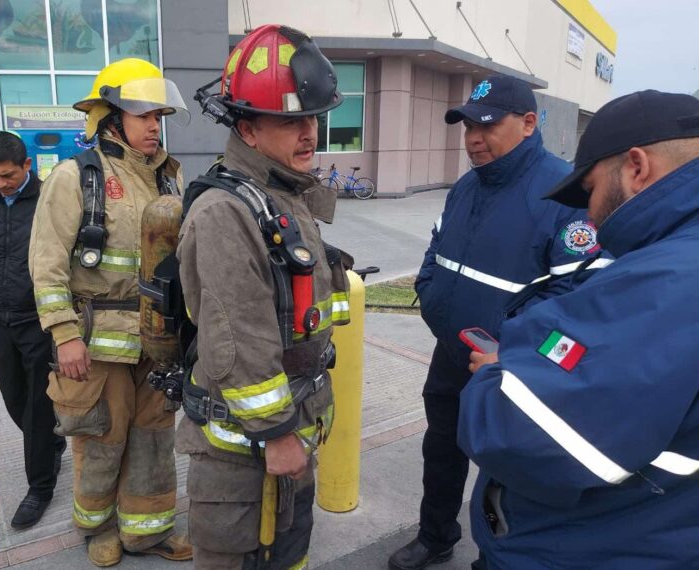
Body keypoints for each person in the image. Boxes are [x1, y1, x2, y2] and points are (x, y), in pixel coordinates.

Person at [457, 90, 699, 569]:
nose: (588, 215)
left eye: (589, 190)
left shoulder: (669, 280)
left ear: (636, 167)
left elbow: (514, 432)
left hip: (593, 547)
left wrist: (498, 374)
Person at [389, 75, 609, 570]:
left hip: (514, 369)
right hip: (452, 356)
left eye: (486, 126)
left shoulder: (564, 195)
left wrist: (508, 350)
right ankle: (436, 534)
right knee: (441, 451)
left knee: (508, 474)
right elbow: (435, 256)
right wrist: (432, 301)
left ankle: (499, 557)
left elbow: (575, 297)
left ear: (529, 123)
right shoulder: (465, 187)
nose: (472, 138)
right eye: (467, 125)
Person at [176, 24, 352, 569]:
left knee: (291, 554)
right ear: (248, 130)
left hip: (292, 431)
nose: (309, 134)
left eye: (312, 119)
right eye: (290, 120)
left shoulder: (283, 193)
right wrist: (277, 436)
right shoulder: (226, 212)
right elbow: (238, 340)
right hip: (242, 454)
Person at [29, 58, 192, 567]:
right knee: (101, 438)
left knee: (153, 440)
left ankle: (147, 530)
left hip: (159, 339)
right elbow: (46, 264)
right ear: (110, 116)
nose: (153, 125)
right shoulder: (76, 177)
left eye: (158, 115)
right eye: (142, 114)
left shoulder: (172, 177)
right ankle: (96, 526)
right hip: (97, 340)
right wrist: (63, 334)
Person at [0, 131, 66, 529]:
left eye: (7, 176)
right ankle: (52, 442)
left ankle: (40, 486)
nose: (0, 184)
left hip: (38, 317)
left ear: (27, 166)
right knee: (14, 397)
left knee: (38, 402)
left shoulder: (50, 198)